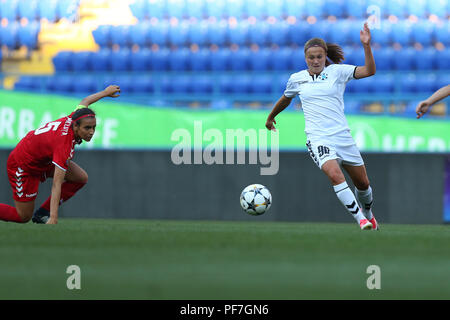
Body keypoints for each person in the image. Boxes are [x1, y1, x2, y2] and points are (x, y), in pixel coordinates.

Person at [265, 22, 379, 230]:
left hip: (342, 135)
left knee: (363, 184)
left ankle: (369, 214)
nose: (315, 60)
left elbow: (370, 71)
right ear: (305, 58)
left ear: (325, 56)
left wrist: (366, 46)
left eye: (319, 56)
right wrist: (271, 116)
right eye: (311, 57)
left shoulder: (338, 72)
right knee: (335, 175)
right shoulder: (297, 79)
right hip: (318, 137)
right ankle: (360, 220)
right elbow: (286, 98)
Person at [0, 85, 121, 225]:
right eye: (87, 128)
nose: (92, 132)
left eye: (94, 127)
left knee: (80, 178)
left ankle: (42, 214)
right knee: (23, 216)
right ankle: (47, 215)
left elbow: (85, 101)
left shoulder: (75, 118)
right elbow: (56, 184)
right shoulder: (64, 143)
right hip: (23, 166)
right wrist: (54, 217)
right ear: (76, 127)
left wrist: (105, 93)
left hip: (42, 160)